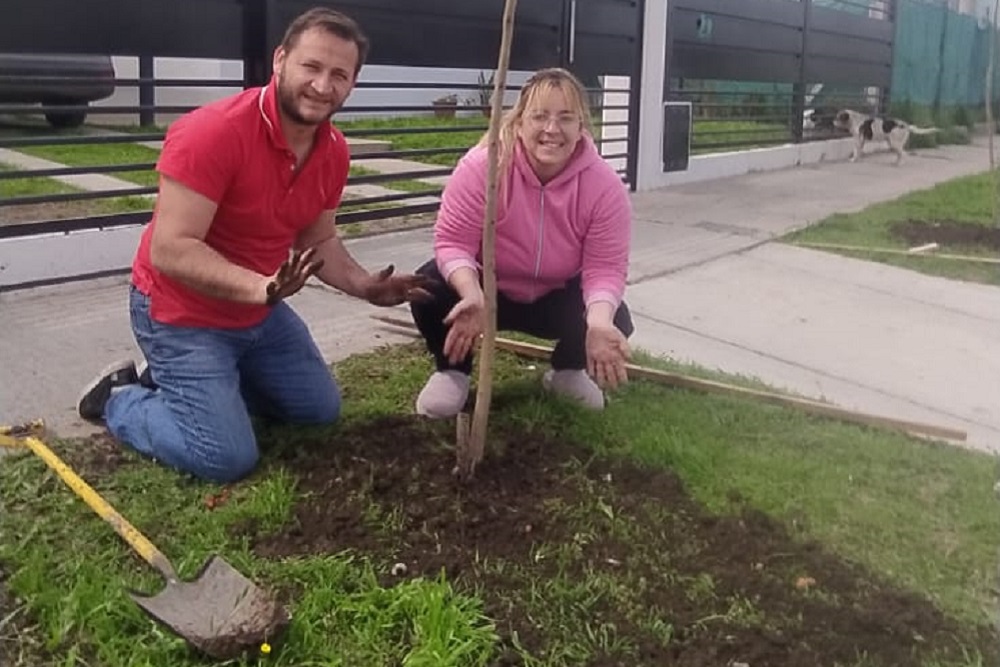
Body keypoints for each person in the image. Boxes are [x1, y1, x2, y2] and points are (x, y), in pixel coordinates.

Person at [76, 7, 432, 483]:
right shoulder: (214, 133)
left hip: (258, 312)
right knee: (224, 458)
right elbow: (172, 249)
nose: (323, 86)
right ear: (281, 60)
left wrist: (365, 286)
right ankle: (121, 398)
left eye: (339, 75)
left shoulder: (333, 150)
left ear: (352, 83)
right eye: (312, 67)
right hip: (182, 314)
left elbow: (318, 238)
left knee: (318, 410)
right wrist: (262, 288)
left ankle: (191, 385)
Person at [409, 67, 634, 418]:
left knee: (614, 314)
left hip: (555, 296)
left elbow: (605, 267)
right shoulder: (483, 167)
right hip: (488, 291)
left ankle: (567, 371)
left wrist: (599, 323)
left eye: (565, 118)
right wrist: (470, 291)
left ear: (582, 126)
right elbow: (453, 242)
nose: (551, 129)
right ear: (519, 121)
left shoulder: (604, 186)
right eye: (539, 116)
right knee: (429, 289)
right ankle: (453, 370)